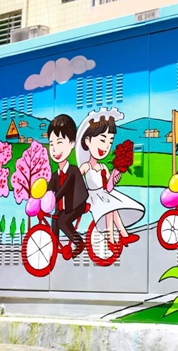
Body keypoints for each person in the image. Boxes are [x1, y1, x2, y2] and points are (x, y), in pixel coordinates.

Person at [76, 108, 145, 250]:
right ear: (87, 141)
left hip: (104, 194)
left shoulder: (103, 167)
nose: (106, 146)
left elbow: (109, 186)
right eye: (102, 140)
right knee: (110, 208)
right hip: (92, 196)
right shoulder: (86, 166)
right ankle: (114, 238)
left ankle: (120, 236)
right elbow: (76, 181)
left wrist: (115, 177)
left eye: (110, 141)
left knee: (113, 208)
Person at [47, 114, 89, 259]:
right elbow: (49, 188)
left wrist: (53, 198)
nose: (54, 149)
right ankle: (54, 246)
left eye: (59, 143)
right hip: (63, 207)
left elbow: (64, 188)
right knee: (55, 218)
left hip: (76, 204)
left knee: (62, 221)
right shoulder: (55, 175)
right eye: (51, 144)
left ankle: (79, 243)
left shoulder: (73, 171)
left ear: (71, 144)